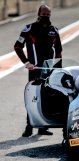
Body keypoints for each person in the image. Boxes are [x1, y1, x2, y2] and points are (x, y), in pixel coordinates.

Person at [14, 5, 63, 137]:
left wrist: (58, 69)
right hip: (35, 69)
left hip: (49, 70)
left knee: (47, 97)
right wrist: (26, 62)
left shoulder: (54, 30)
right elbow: (18, 46)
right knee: (33, 97)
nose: (45, 16)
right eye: (43, 14)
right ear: (39, 13)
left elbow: (58, 51)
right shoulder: (29, 29)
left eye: (48, 14)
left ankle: (43, 127)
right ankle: (29, 126)